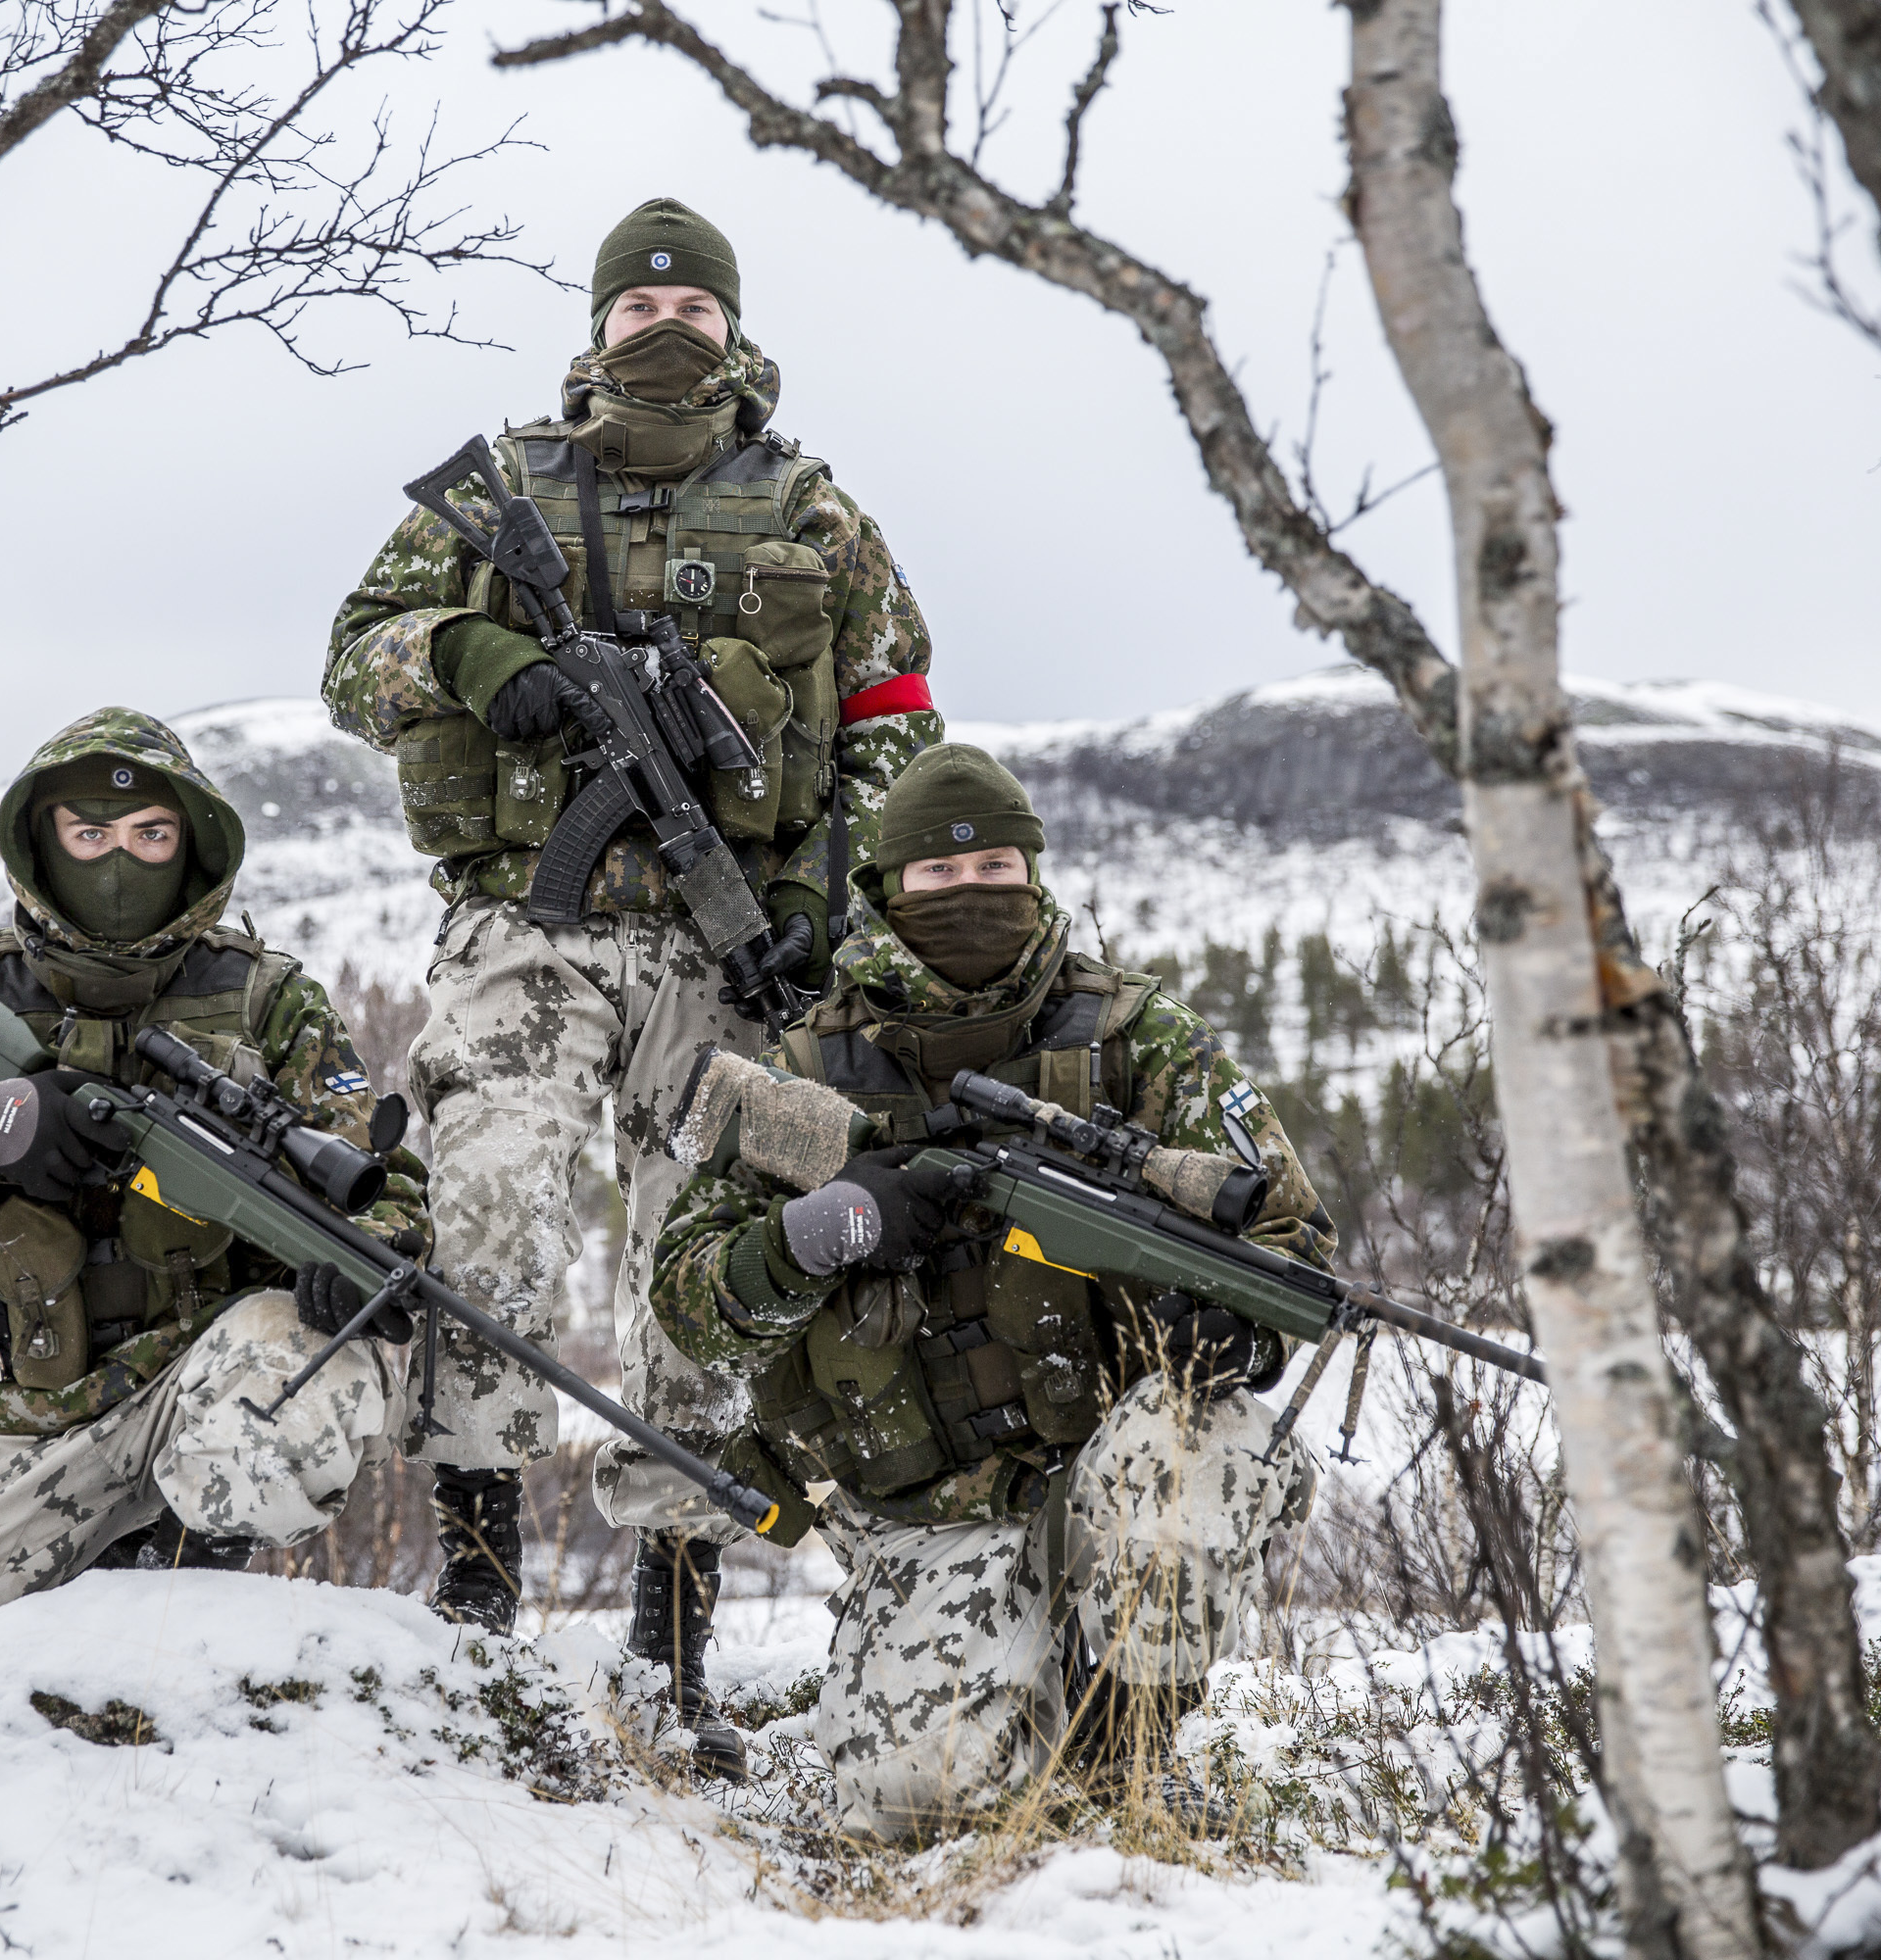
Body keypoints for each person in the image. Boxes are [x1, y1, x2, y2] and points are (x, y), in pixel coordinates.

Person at [322, 194, 941, 1766]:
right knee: (495, 1210)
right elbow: (356, 655)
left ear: (734, 326)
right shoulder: (511, 483)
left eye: (697, 308)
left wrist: (825, 901)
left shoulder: (815, 511)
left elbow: (894, 722)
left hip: (718, 951)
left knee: (704, 1270)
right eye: (638, 306)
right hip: (526, 926)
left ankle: (672, 1653)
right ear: (597, 323)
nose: (668, 327)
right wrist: (485, 664)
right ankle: (474, 1610)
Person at [646, 744, 1332, 1837]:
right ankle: (1013, 1684)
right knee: (920, 1800)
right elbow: (684, 1295)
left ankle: (1124, 1746)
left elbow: (1294, 1234)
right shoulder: (805, 1072)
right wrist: (820, 1230)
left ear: (1036, 870)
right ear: (886, 887)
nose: (971, 895)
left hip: (1106, 1467)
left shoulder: (1134, 1033)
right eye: (938, 877)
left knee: (1214, 1442)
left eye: (996, 868)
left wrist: (1234, 1324)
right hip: (919, 1506)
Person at [0, 709, 428, 1669]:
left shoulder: (267, 999)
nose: (120, 861)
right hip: (23, 1429)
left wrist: (365, 1251)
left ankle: (181, 1584)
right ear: (42, 844)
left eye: (150, 835)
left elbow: (380, 1185)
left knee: (289, 1429)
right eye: (89, 835)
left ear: (191, 846)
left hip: (201, 1388)